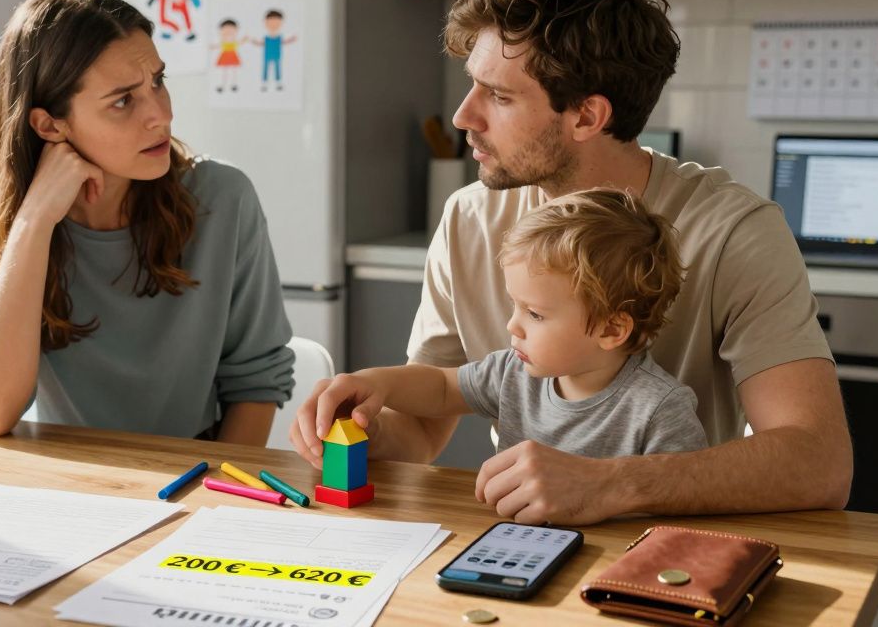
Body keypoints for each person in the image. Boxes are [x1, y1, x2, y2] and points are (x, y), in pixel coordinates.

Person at [289, 0, 852, 525]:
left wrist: (609, 484)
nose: (463, 117)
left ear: (587, 116)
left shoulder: (734, 231)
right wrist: (361, 427)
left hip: (664, 552)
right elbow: (422, 429)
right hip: (525, 539)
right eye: (471, 88)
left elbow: (820, 463)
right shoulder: (469, 218)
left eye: (499, 96)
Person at [0, 0, 294, 444]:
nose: (160, 114)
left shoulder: (222, 198)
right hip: (52, 485)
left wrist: (215, 496)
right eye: (124, 100)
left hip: (193, 478)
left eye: (158, 82)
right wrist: (33, 222)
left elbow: (255, 383)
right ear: (50, 124)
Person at [299, 191, 707, 508]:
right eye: (515, 304)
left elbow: (679, 501)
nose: (512, 325)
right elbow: (441, 388)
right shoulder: (513, 371)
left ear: (612, 328)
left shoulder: (661, 408)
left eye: (535, 313)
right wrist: (375, 383)